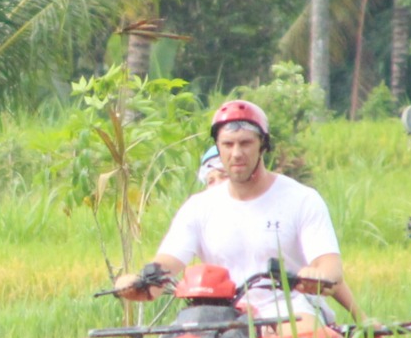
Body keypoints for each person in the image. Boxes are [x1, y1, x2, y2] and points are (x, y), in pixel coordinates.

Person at [115, 99, 361, 320]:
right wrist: (141, 282)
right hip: (220, 315)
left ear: (263, 145)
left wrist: (317, 276)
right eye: (228, 144)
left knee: (301, 334)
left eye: (245, 143)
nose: (237, 153)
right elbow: (168, 262)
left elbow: (330, 267)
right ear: (218, 148)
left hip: (292, 310)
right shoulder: (199, 207)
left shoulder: (302, 199)